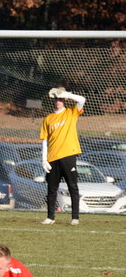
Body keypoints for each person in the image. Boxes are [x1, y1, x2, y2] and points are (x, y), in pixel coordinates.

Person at [40, 87, 86, 226]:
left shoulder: (71, 112)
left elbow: (82, 100)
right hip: (53, 158)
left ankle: (75, 217)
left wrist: (66, 94)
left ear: (64, 100)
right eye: (56, 99)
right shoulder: (48, 118)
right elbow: (44, 140)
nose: (58, 102)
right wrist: (44, 159)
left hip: (68, 155)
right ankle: (50, 217)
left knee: (73, 186)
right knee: (51, 189)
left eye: (60, 99)